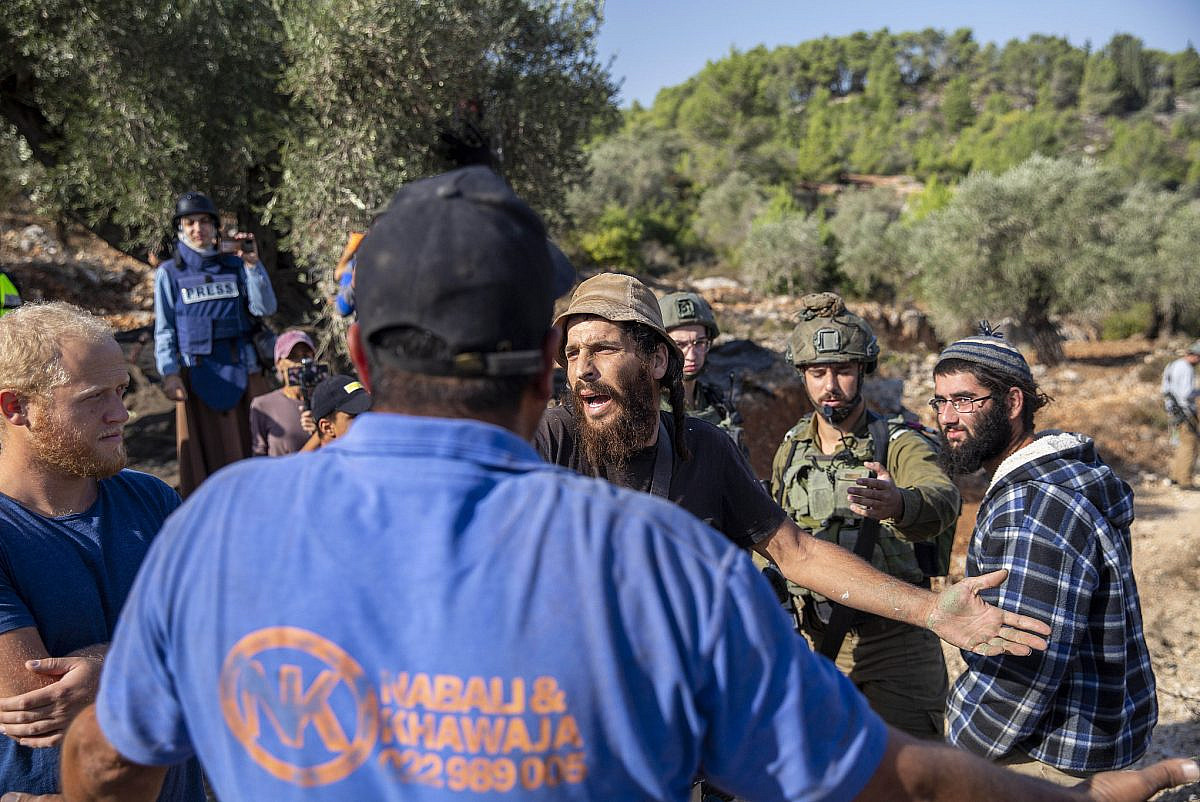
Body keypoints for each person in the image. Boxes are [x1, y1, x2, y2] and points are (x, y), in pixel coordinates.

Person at [47, 165, 1197, 802]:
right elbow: (895, 783)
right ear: (548, 367)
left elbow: (102, 761)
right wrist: (1080, 801)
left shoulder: (219, 527)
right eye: (578, 348)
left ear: (358, 357)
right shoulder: (664, 567)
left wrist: (933, 602)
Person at [536, 272, 1044, 657]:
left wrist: (931, 609)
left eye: (603, 349)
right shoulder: (551, 438)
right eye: (573, 353)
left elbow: (796, 551)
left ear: (656, 362)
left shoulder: (706, 448)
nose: (582, 370)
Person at [933, 326, 1158, 783]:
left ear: (1014, 404)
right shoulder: (1059, 479)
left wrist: (961, 744)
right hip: (1084, 742)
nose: (948, 417)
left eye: (965, 400)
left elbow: (1027, 660)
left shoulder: (1033, 504)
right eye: (940, 401)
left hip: (1050, 756)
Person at [0, 302, 203, 800]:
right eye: (94, 398)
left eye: (120, 390)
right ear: (15, 407)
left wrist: (106, 671)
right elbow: (38, 699)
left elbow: (224, 636)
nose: (122, 413)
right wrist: (159, 656)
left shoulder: (151, 498)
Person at [768, 292, 959, 740]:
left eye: (843, 371)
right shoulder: (792, 447)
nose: (830, 384)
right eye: (818, 372)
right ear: (803, 376)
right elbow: (773, 531)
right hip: (817, 643)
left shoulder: (899, 441)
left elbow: (942, 497)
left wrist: (898, 504)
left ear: (863, 372)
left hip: (896, 642)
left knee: (913, 776)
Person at [153, 191, 277, 497]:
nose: (198, 229)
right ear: (180, 228)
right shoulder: (168, 273)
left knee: (255, 449)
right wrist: (169, 373)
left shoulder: (235, 266)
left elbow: (265, 309)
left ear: (216, 227)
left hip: (245, 370)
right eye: (191, 222)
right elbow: (165, 328)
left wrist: (252, 266)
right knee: (205, 460)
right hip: (196, 377)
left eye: (205, 222)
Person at [658, 291, 743, 448]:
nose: (691, 355)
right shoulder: (651, 409)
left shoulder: (717, 403)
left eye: (699, 343)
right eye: (680, 345)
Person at [248, 330, 319, 456]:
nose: (300, 363)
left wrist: (321, 432)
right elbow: (259, 455)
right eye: (293, 357)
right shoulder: (262, 405)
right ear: (279, 364)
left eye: (306, 356)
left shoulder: (327, 399)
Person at [1161, 340, 1200, 489]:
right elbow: (1186, 393)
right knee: (1189, 445)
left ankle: (1175, 476)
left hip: (1173, 411)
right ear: (1195, 355)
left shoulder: (1172, 365)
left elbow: (1165, 389)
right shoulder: (1187, 368)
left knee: (1180, 444)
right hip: (1184, 412)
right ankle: (1185, 480)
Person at [298, 373, 371, 451]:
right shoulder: (317, 462)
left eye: (370, 412)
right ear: (327, 427)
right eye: (356, 417)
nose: (368, 421)